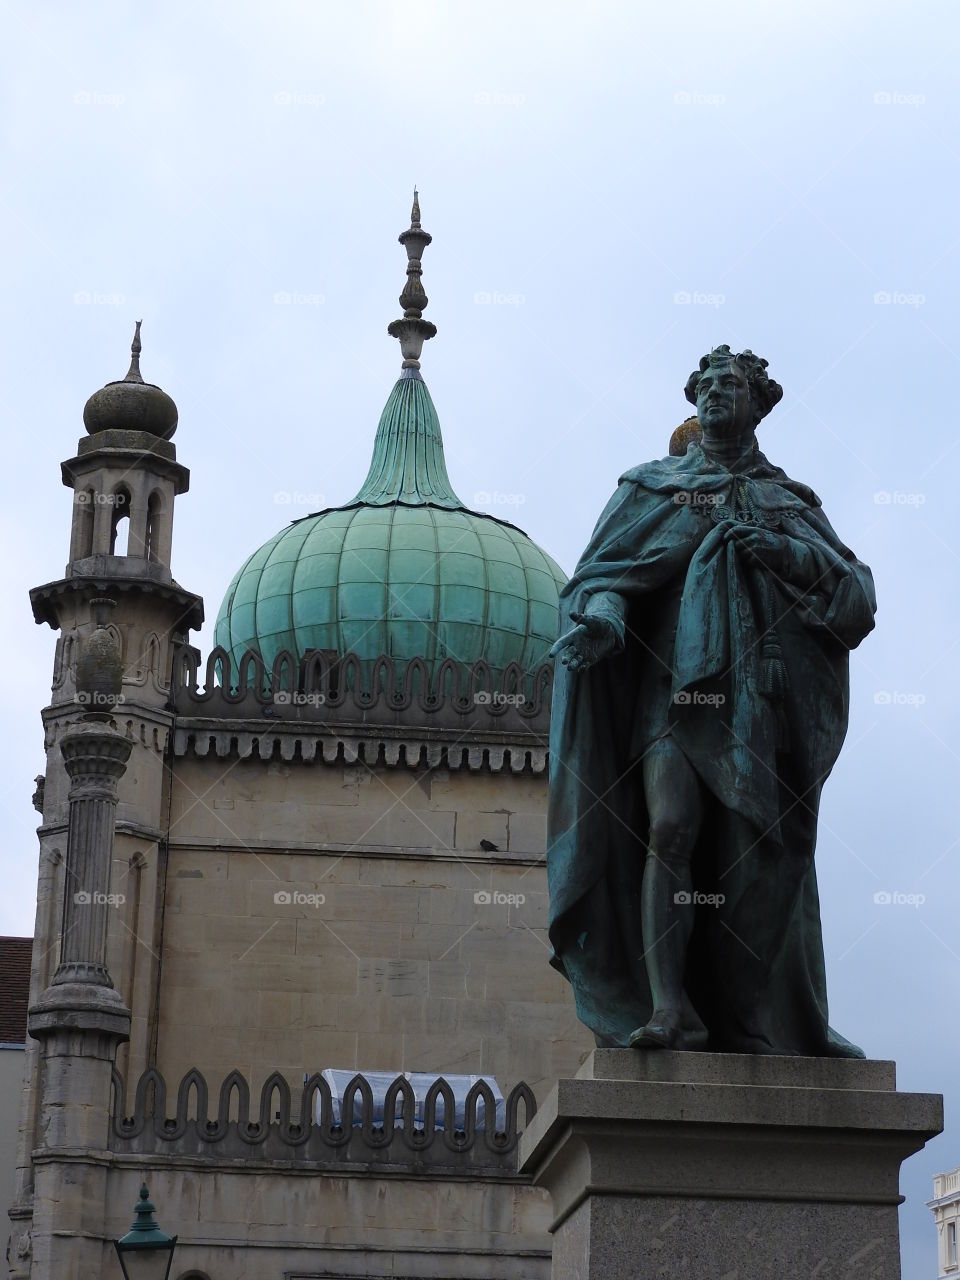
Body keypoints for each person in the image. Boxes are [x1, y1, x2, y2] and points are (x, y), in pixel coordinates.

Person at [547, 345, 876, 1055]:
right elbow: (604, 574)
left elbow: (853, 596)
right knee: (669, 829)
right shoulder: (652, 487)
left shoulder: (787, 501)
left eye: (733, 383)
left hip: (757, 699)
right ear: (694, 396)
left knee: (755, 857)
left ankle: (754, 1014)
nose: (718, 391)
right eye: (709, 382)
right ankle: (670, 1009)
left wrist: (781, 551)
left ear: (760, 403)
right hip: (669, 692)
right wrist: (603, 619)